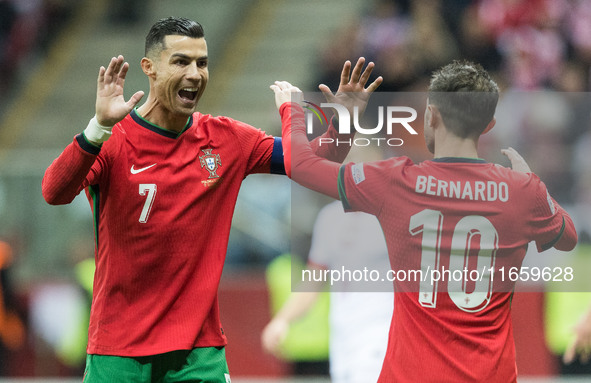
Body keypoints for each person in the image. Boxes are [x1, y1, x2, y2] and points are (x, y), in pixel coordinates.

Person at [41, 16, 382, 382]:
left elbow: (315, 164)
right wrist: (97, 128)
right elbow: (54, 192)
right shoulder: (112, 139)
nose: (195, 73)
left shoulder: (227, 140)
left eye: (202, 63)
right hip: (118, 352)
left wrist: (345, 121)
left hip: (198, 354)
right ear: (149, 68)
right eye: (181, 61)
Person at [272, 60, 578, 382]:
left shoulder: (395, 181)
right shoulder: (522, 191)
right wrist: (532, 181)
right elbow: (568, 236)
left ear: (430, 116)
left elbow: (301, 166)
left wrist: (298, 112)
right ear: (488, 125)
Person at [261, 200, 393, 383]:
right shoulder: (330, 216)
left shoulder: (394, 212)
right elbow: (314, 280)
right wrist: (282, 320)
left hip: (382, 333)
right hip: (342, 338)